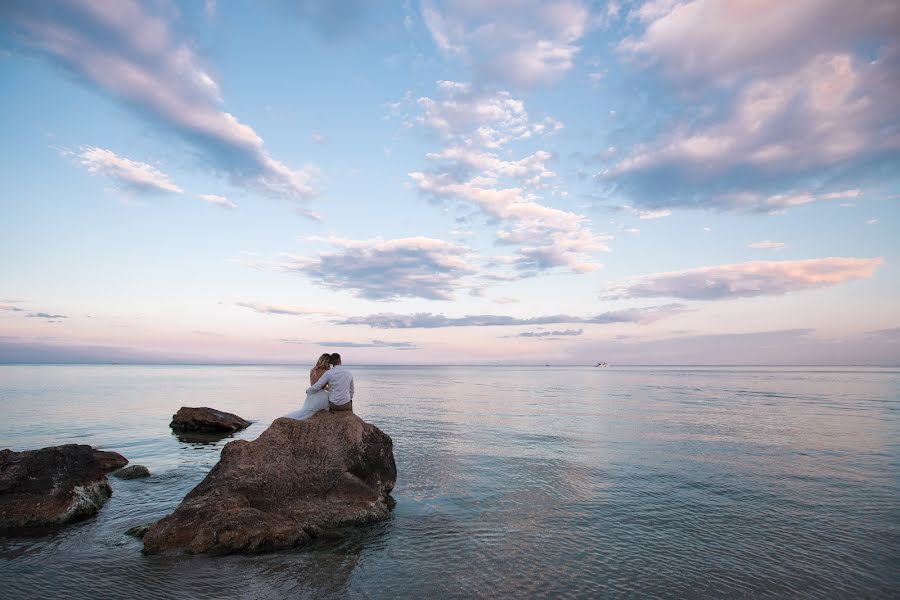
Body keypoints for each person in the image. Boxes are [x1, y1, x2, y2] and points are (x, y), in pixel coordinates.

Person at [284, 353, 332, 420]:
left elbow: (313, 385)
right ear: (328, 362)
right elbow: (323, 387)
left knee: (304, 412)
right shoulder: (327, 372)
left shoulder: (313, 370)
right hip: (321, 397)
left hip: (311, 396)